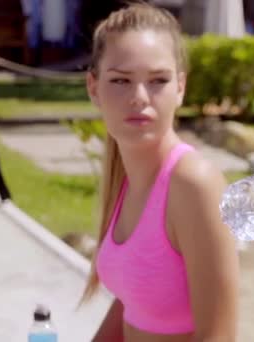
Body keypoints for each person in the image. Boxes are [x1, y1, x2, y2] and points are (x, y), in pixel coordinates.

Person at [80, 4, 239, 341]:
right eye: (121, 80)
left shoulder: (193, 183)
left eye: (158, 81)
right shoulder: (125, 178)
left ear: (180, 87)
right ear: (93, 87)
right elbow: (131, 301)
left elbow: (220, 337)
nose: (139, 98)